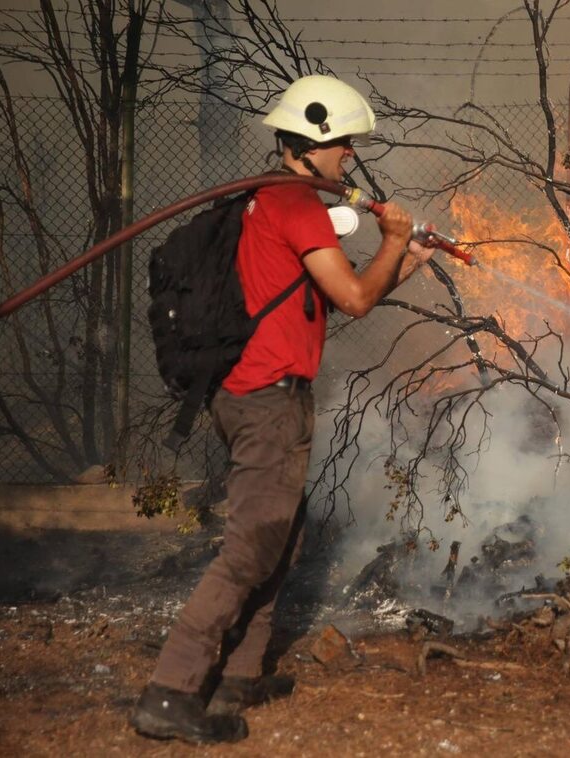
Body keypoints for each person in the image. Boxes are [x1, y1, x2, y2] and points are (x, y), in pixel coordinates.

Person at [129, 75, 434, 744]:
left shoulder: (268, 201)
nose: (350, 155)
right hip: (267, 401)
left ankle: (241, 674)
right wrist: (391, 242)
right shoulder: (296, 204)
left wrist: (405, 259)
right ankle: (170, 692)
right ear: (316, 141)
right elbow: (354, 299)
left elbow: (327, 296)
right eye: (345, 144)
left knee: (280, 539)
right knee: (249, 549)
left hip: (256, 394)